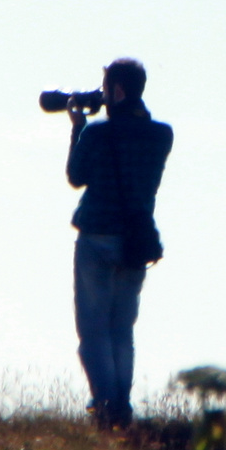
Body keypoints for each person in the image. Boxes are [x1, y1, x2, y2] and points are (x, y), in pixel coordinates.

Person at [65, 58, 173, 430]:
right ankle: (121, 407)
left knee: (93, 330)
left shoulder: (97, 134)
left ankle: (107, 408)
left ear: (118, 90)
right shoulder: (161, 135)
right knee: (122, 330)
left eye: (107, 87)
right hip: (135, 240)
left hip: (97, 236)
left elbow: (76, 176)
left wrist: (78, 128)